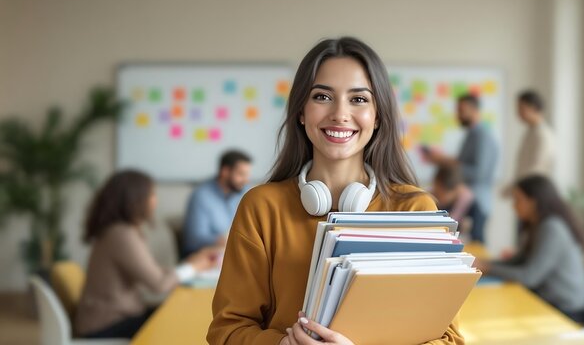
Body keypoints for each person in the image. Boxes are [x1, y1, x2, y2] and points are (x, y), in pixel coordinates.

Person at [207, 37, 464, 345]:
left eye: (358, 99)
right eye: (322, 97)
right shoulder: (261, 207)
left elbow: (448, 339)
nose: (340, 114)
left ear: (378, 115)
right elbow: (227, 330)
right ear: (301, 111)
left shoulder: (416, 211)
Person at [75, 170, 217, 338]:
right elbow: (159, 284)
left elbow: (153, 272)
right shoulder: (121, 235)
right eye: (152, 195)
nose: (155, 200)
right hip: (106, 325)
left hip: (118, 317)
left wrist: (191, 264)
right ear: (135, 199)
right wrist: (194, 266)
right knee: (182, 326)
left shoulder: (116, 231)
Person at [475, 175, 584, 324]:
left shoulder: (551, 228)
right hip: (546, 300)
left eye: (518, 200)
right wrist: (482, 264)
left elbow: (529, 277)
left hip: (566, 310)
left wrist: (486, 267)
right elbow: (516, 261)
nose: (513, 206)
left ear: (533, 201)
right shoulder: (538, 225)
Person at [422, 94, 498, 243]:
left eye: (461, 110)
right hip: (465, 200)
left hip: (476, 202)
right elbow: (463, 164)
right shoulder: (472, 135)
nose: (458, 115)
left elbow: (479, 173)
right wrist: (443, 160)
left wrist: (448, 164)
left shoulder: (482, 136)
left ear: (474, 110)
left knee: (475, 245)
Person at [182, 150, 252, 258]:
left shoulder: (243, 193)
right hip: (206, 257)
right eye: (241, 174)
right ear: (225, 171)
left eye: (247, 175)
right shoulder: (201, 196)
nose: (246, 180)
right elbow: (193, 240)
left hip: (233, 253)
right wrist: (225, 240)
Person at [503, 90, 555, 196]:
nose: (518, 113)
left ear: (534, 108)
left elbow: (537, 168)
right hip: (525, 191)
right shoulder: (531, 132)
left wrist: (514, 187)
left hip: (534, 193)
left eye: (521, 108)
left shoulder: (543, 134)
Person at [431, 164, 485, 243]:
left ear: (455, 190)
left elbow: (477, 240)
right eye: (435, 190)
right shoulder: (432, 199)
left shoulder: (473, 207)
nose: (436, 196)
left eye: (440, 193)